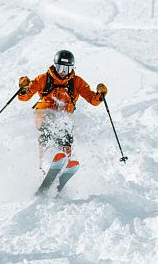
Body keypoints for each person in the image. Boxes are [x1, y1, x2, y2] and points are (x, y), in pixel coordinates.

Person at [17, 50, 107, 192]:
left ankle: (63, 165)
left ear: (72, 68)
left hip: (63, 115)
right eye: (61, 68)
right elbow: (26, 96)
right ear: (55, 66)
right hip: (44, 112)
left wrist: (100, 96)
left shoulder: (77, 82)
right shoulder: (44, 78)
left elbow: (92, 99)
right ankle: (44, 168)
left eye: (67, 69)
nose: (64, 72)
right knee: (47, 130)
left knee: (65, 132)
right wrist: (23, 89)